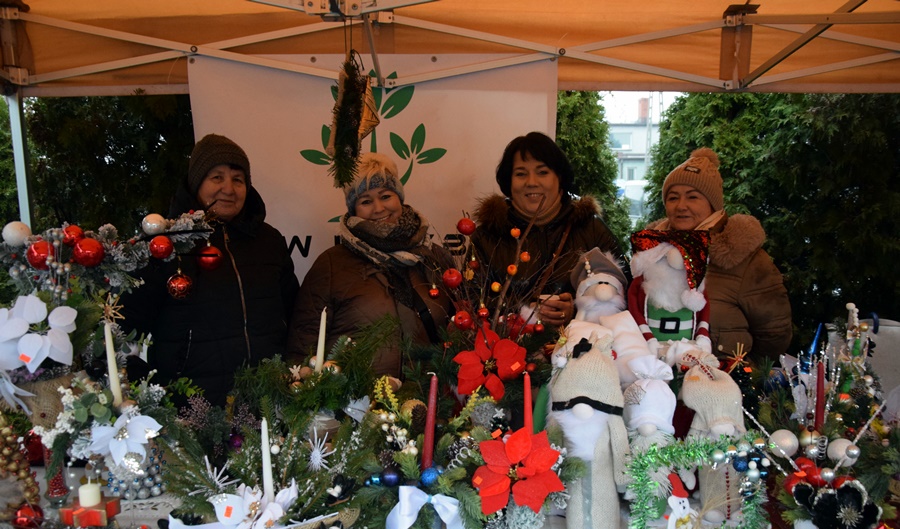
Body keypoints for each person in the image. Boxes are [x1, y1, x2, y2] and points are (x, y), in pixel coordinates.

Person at [122, 133, 299, 406]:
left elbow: (293, 312)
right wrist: (147, 392)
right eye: (217, 177)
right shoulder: (164, 246)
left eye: (238, 180)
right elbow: (124, 329)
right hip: (192, 408)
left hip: (268, 401)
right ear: (196, 183)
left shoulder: (269, 241)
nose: (228, 189)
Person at [287, 153, 451, 378]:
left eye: (385, 196)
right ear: (354, 210)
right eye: (365, 201)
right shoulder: (332, 264)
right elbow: (304, 343)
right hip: (359, 406)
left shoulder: (433, 257)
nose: (379, 208)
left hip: (430, 402)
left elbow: (457, 331)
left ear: (399, 198)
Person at [470, 131, 625, 329]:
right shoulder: (488, 235)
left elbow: (624, 295)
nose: (532, 182)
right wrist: (524, 310)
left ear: (559, 178)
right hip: (508, 353)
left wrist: (577, 310)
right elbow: (470, 302)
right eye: (520, 174)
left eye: (543, 172)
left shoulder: (590, 228)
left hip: (581, 352)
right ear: (509, 182)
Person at [651, 147, 791, 363]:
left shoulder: (745, 257)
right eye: (673, 197)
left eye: (693, 197)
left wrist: (743, 375)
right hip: (657, 383)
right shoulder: (651, 252)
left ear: (712, 204)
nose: (681, 206)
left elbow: (774, 333)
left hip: (723, 385)